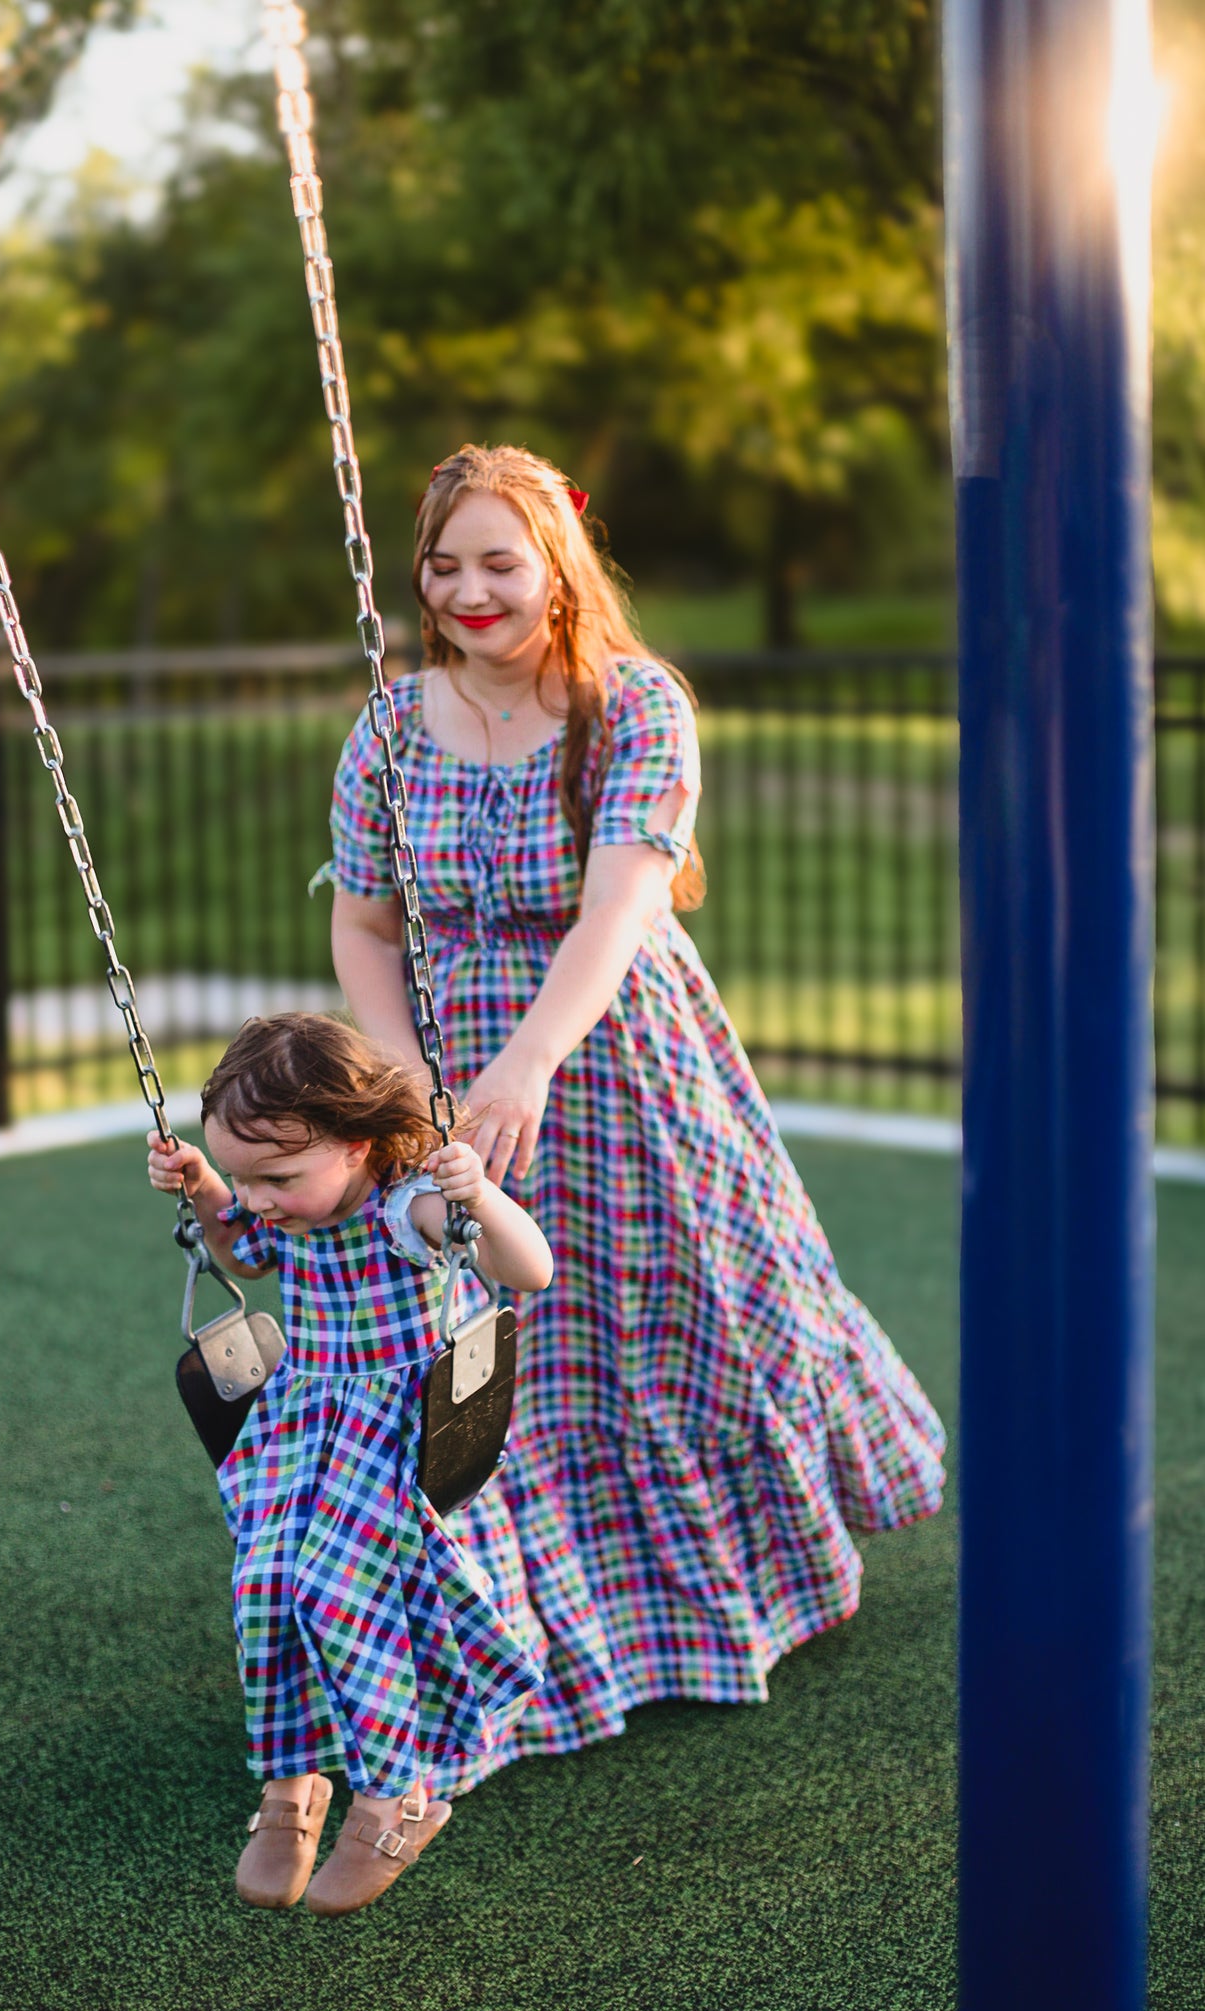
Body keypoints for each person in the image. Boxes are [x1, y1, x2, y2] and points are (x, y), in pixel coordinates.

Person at [318, 442, 948, 1797]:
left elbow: (620, 909)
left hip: (614, 1058)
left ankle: (718, 1595)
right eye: (446, 563)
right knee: (491, 1349)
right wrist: (408, 1084)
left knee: (672, 1316)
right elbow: (363, 923)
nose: (471, 588)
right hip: (446, 1071)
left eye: (501, 559)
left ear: (558, 565)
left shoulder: (633, 708)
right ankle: (515, 1636)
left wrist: (527, 1065)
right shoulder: (385, 729)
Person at [147, 1010, 553, 1916]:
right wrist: (208, 1184)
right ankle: (292, 1787)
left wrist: (479, 1196)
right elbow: (235, 1252)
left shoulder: (408, 1211)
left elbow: (529, 1272)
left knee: (339, 1591)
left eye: (278, 1176)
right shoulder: (275, 1207)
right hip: (304, 1421)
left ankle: (394, 1795)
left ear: (362, 1144)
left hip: (395, 1429)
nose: (259, 1200)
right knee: (264, 1585)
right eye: (248, 1177)